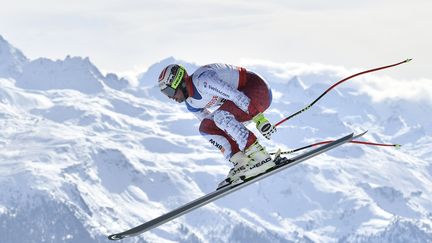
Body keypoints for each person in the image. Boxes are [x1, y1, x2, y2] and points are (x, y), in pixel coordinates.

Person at [158, 63, 277, 188]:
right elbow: (216, 128)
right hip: (246, 102)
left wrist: (260, 119)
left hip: (258, 90)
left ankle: (260, 156)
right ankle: (242, 161)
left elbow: (235, 95)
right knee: (206, 127)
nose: (171, 97)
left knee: (221, 116)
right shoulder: (191, 104)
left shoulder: (203, 80)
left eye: (169, 91)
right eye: (166, 95)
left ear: (178, 81)